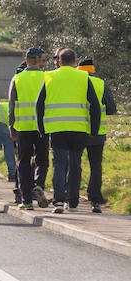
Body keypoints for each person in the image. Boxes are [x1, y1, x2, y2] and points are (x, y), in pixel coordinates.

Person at [37, 47, 100, 213]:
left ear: (59, 61)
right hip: (78, 128)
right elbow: (94, 105)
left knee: (59, 164)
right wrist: (94, 129)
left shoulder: (49, 76)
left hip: (57, 128)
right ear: (75, 61)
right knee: (75, 164)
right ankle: (73, 202)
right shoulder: (83, 76)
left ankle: (58, 200)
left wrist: (41, 128)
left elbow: (39, 104)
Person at [8, 46, 51, 211]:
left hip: (23, 127)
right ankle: (39, 185)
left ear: (26, 61)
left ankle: (26, 200)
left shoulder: (17, 79)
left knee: (24, 163)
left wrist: (12, 127)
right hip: (43, 126)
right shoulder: (47, 78)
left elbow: (12, 106)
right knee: (42, 160)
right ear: (41, 61)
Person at [78, 59, 116, 213]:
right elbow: (111, 108)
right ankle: (94, 199)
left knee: (74, 164)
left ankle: (70, 195)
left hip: (77, 129)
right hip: (97, 132)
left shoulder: (75, 84)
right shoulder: (100, 84)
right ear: (93, 70)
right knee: (95, 165)